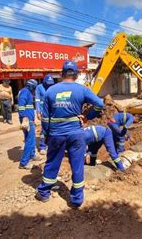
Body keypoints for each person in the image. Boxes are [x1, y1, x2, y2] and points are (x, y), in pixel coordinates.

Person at [36, 61, 104, 208]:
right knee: (77, 165)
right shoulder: (82, 90)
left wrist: (46, 134)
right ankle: (77, 199)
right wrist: (87, 116)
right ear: (77, 74)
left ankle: (44, 193)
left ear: (62, 74)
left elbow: (45, 117)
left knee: (52, 163)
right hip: (76, 135)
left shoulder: (50, 91)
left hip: (56, 134)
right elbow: (100, 104)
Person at [17, 79, 39, 170]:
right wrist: (24, 118)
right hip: (26, 119)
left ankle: (32, 155)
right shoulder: (25, 92)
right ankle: (24, 163)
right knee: (29, 141)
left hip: (29, 119)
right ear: (31, 86)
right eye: (34, 87)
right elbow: (21, 106)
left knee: (31, 139)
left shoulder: (26, 92)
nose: (34, 89)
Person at [35, 74, 55, 155]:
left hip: (53, 111)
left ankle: (50, 145)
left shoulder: (53, 87)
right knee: (44, 130)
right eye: (47, 83)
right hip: (44, 112)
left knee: (52, 129)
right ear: (44, 81)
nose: (49, 85)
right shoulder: (39, 87)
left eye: (51, 83)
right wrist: (38, 111)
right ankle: (42, 146)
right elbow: (37, 100)